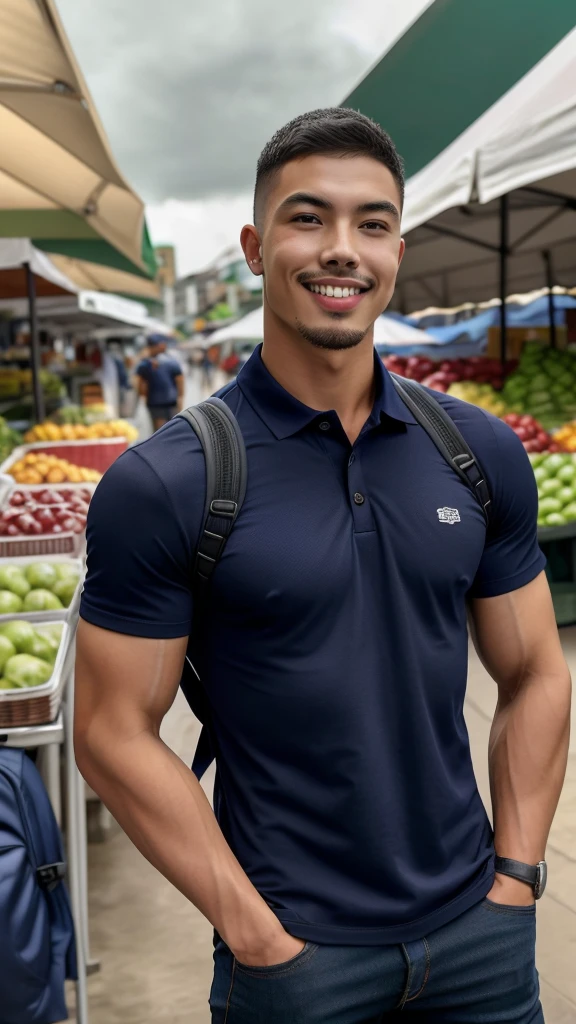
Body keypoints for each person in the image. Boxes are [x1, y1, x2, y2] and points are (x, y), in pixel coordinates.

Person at [75, 109, 571, 1023]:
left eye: (372, 224)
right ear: (257, 247)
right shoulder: (168, 483)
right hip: (297, 961)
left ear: (396, 250)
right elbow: (112, 731)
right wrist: (259, 936)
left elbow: (538, 669)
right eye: (308, 219)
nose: (342, 248)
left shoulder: (477, 452)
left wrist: (518, 874)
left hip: (481, 938)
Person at [135, 334, 184, 431]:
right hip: (169, 403)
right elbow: (180, 383)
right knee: (173, 431)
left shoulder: (145, 364)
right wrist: (180, 400)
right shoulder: (172, 362)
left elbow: (140, 387)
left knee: (159, 433)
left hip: (155, 404)